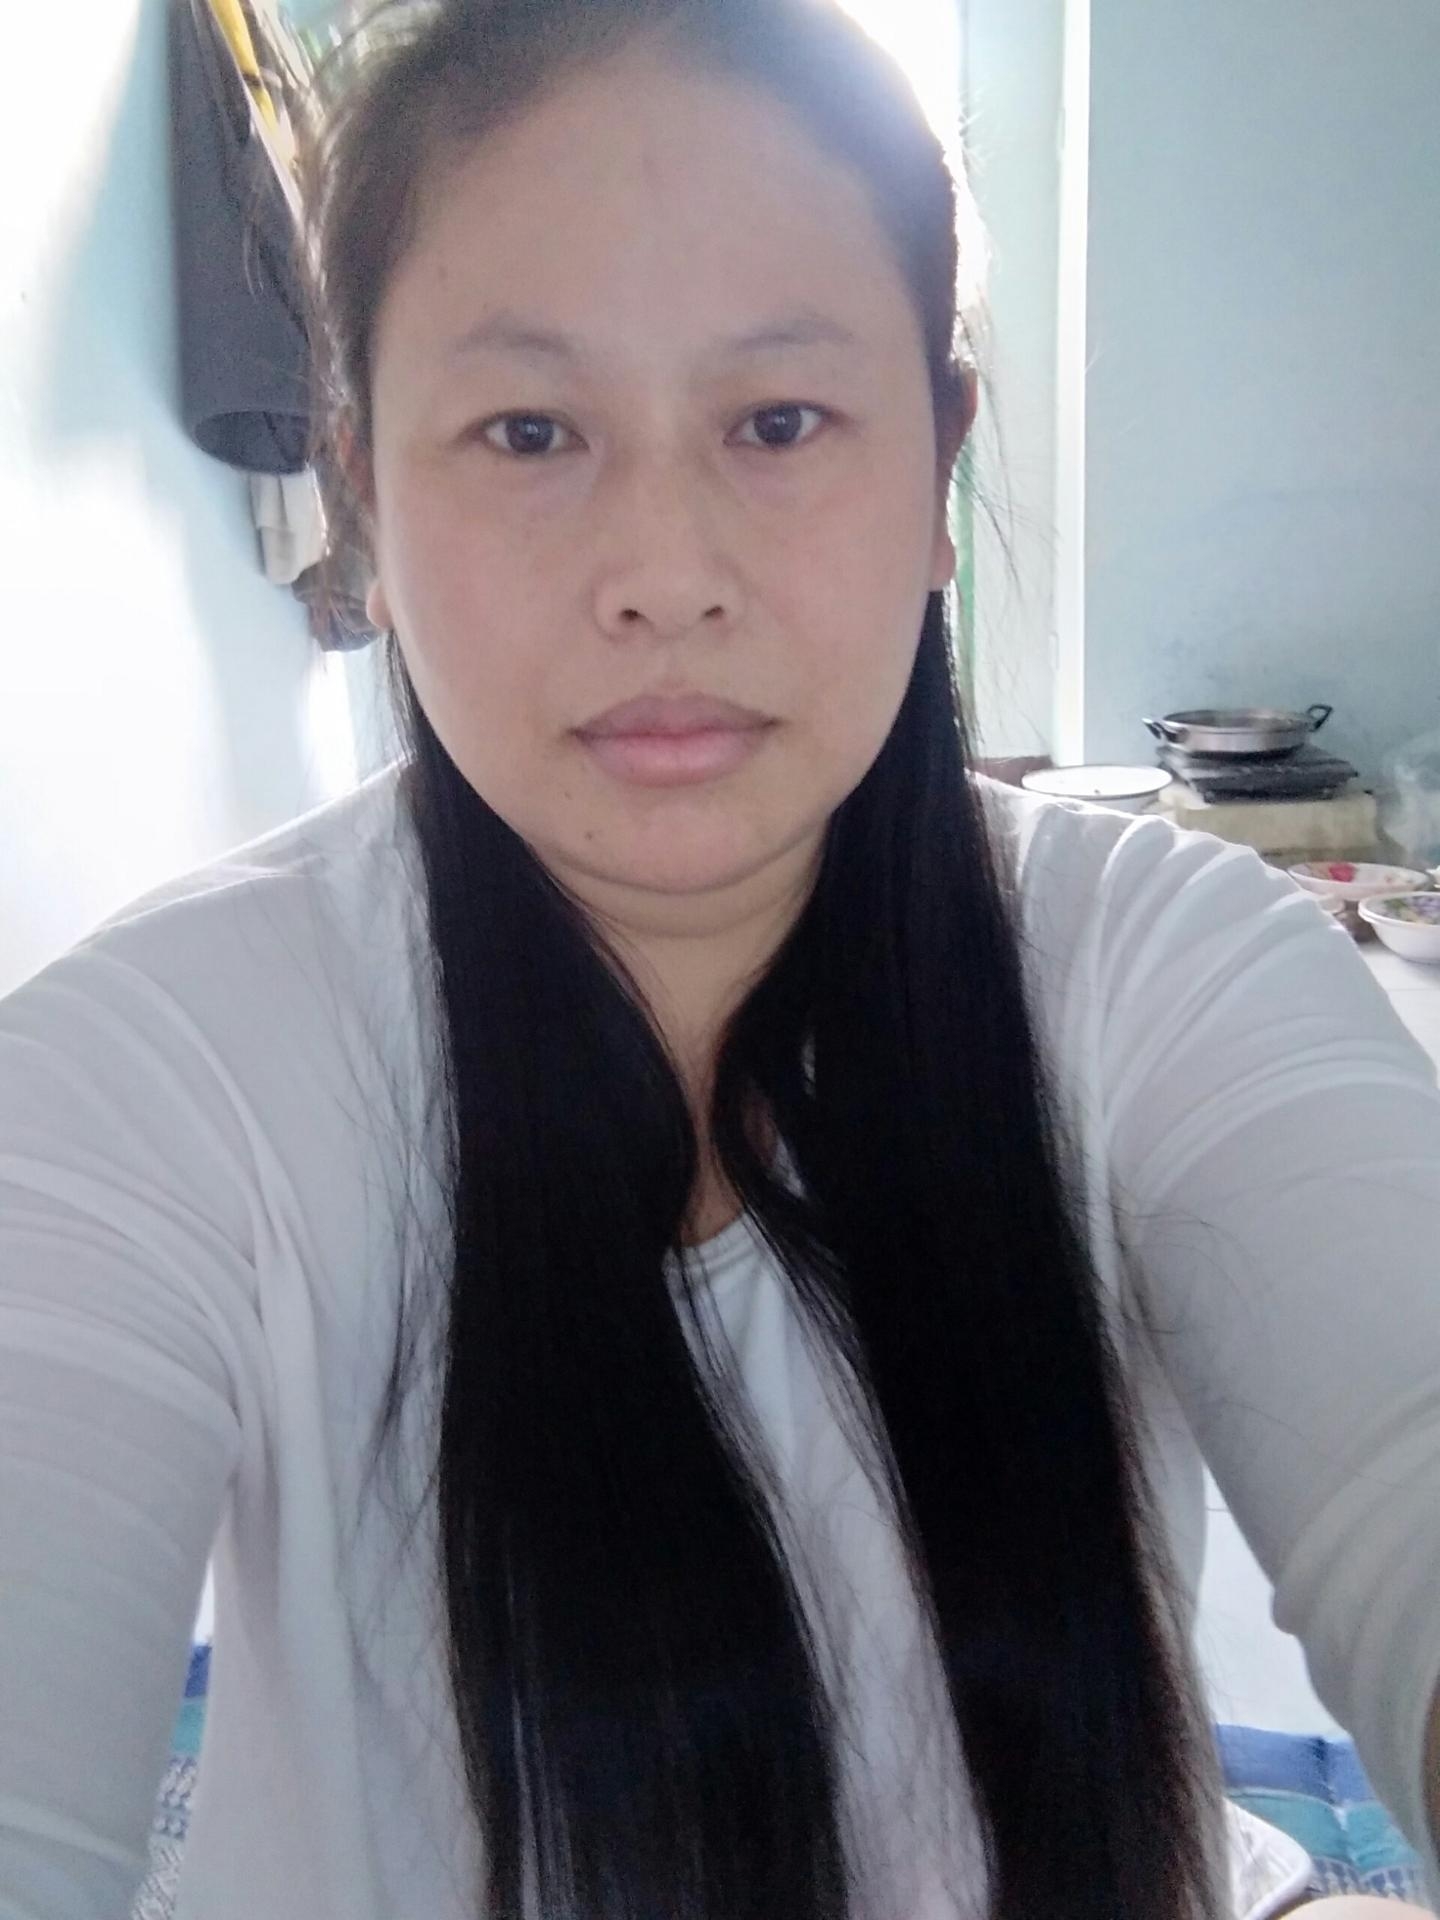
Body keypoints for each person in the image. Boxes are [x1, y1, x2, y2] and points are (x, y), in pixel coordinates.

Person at [1, 1, 1437, 1916]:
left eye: (777, 422)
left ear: (939, 463)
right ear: (366, 496)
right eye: (529, 431)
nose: (664, 574)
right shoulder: (152, 1077)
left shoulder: (1168, 974)